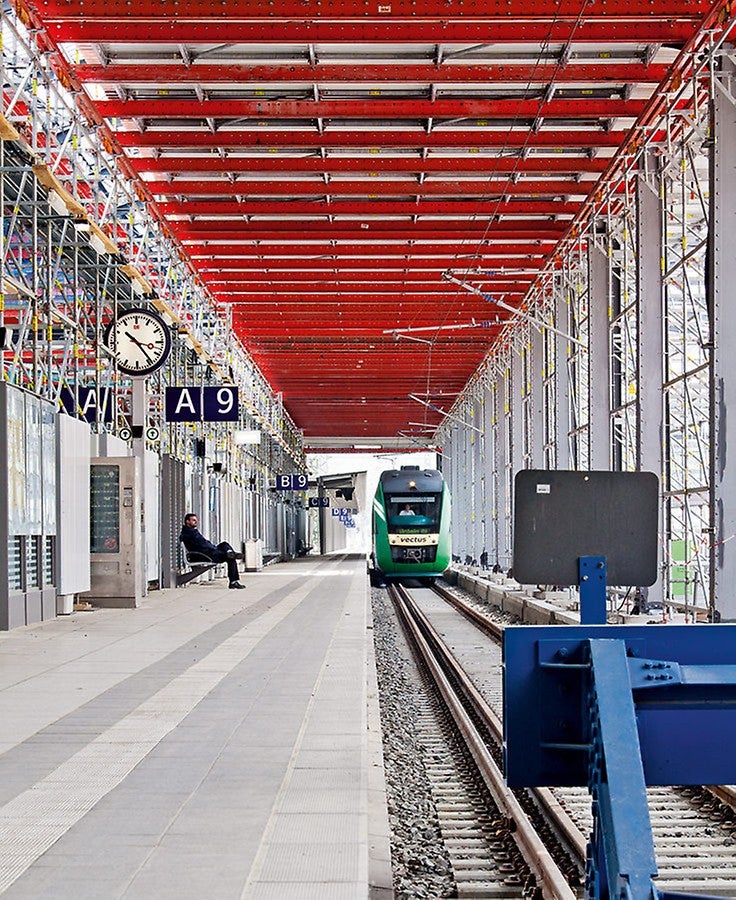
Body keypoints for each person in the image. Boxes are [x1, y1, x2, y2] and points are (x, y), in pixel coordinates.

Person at [179, 513, 245, 589]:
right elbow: (203, 544)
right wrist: (215, 548)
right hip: (205, 555)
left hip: (207, 553)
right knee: (230, 558)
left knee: (224, 544)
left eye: (196, 520)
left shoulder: (189, 532)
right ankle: (233, 581)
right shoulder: (190, 533)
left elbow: (203, 543)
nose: (196, 522)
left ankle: (230, 553)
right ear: (187, 521)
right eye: (193, 520)